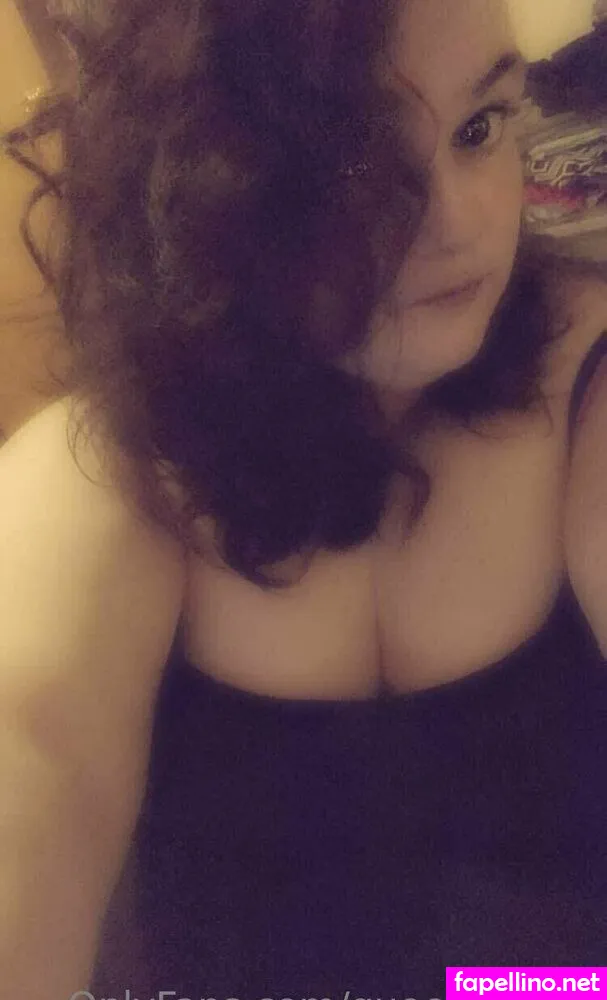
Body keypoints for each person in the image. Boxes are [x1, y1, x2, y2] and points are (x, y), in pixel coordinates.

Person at [2, 0, 607, 996]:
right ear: (201, 177)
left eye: (478, 126)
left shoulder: (583, 374)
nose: (457, 221)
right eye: (355, 161)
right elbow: (34, 757)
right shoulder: (106, 478)